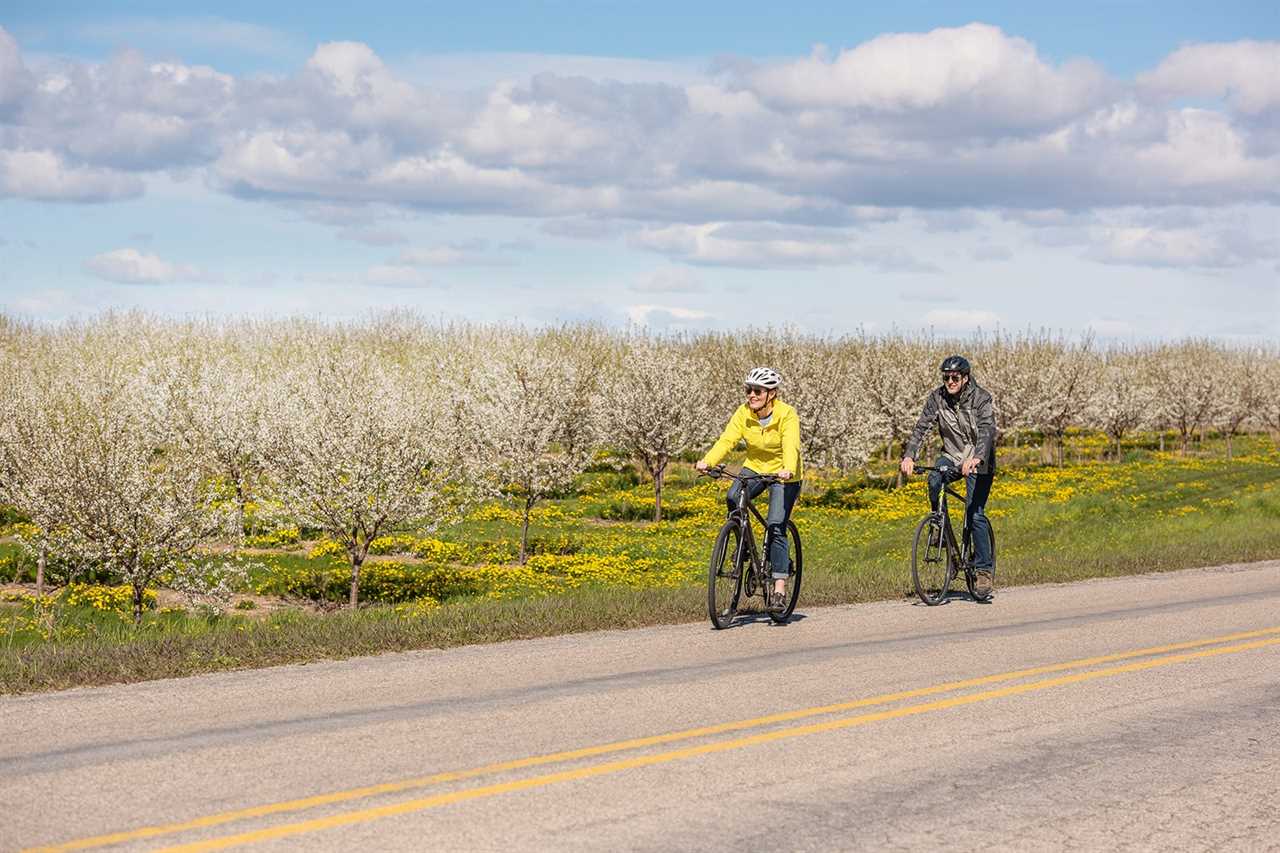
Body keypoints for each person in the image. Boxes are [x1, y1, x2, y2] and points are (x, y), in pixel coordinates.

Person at [696, 367, 803, 612]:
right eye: (748, 390)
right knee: (733, 496)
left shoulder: (787, 414)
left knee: (776, 524)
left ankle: (778, 588)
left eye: (757, 391)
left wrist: (786, 468)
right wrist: (708, 461)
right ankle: (742, 542)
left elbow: (791, 445)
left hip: (784, 474)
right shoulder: (744, 413)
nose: (751, 395)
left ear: (772, 394)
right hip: (755, 467)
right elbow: (727, 440)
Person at [900, 355, 997, 598]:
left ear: (965, 378)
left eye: (954, 378)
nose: (949, 382)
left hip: (979, 461)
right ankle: (938, 526)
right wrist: (909, 456)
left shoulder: (981, 398)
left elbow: (986, 430)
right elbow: (922, 427)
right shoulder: (937, 398)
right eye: (946, 377)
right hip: (952, 456)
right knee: (934, 478)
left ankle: (983, 571)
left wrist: (976, 457)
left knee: (974, 514)